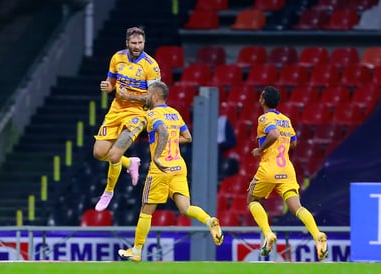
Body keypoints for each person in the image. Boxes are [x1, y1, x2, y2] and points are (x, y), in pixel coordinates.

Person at [117, 81, 224, 262]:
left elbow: (163, 132)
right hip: (178, 166)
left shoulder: (153, 114)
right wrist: (170, 142)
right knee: (185, 208)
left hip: (161, 169)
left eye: (148, 94)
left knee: (146, 211)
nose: (146, 97)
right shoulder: (174, 113)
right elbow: (187, 137)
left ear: (156, 96)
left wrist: (158, 155)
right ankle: (209, 220)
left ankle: (136, 251)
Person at [247, 86, 328, 261]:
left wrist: (260, 150)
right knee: (296, 207)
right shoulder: (286, 119)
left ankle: (268, 234)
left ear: (262, 100)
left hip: (269, 168)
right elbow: (294, 143)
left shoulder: (264, 118)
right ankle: (317, 235)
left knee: (253, 200)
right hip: (287, 169)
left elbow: (274, 134)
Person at [94, 27, 161, 211]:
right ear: (127, 43)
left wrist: (131, 97)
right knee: (99, 153)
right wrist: (107, 86)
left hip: (138, 113)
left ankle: (108, 192)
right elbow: (111, 83)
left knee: (114, 154)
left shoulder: (151, 66)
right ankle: (130, 162)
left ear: (144, 43)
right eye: (134, 43)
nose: (137, 46)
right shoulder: (117, 58)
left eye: (140, 43)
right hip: (116, 109)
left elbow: (153, 99)